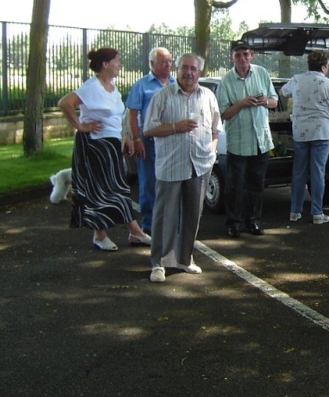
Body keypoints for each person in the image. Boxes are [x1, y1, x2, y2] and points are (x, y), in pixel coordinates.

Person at [57, 47, 151, 251]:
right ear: (105, 64)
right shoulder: (92, 87)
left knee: (113, 188)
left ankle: (122, 233)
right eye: (117, 60)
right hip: (94, 144)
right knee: (105, 189)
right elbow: (65, 103)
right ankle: (116, 233)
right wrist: (81, 126)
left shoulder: (112, 86)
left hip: (111, 143)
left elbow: (117, 116)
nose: (120, 64)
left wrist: (124, 136)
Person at [143, 54, 220, 283]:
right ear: (177, 70)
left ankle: (185, 259)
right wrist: (176, 127)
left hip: (200, 164)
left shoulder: (207, 96)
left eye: (193, 68)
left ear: (200, 72)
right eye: (184, 68)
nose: (189, 72)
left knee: (192, 215)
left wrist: (213, 151)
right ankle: (159, 262)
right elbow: (148, 129)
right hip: (171, 165)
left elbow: (216, 129)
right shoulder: (163, 96)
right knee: (164, 216)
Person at [216, 40, 278, 238]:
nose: (242, 58)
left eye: (245, 54)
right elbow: (223, 113)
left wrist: (264, 102)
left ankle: (254, 220)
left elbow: (274, 100)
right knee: (235, 185)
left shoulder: (261, 73)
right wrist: (242, 103)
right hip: (238, 142)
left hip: (260, 141)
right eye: (237, 55)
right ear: (231, 57)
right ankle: (233, 222)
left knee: (256, 184)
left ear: (251, 55)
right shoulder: (226, 81)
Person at [280, 49, 329, 225]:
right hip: (321, 131)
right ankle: (317, 212)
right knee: (318, 172)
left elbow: (282, 93)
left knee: (299, 171)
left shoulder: (297, 79)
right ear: (324, 66)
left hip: (300, 130)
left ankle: (295, 211)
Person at [125, 47, 174, 235]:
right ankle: (149, 226)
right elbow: (132, 114)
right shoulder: (141, 85)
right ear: (152, 64)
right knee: (149, 184)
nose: (168, 65)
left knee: (170, 184)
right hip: (149, 141)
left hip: (171, 141)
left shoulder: (174, 83)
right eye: (164, 62)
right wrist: (137, 139)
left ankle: (169, 223)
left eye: (170, 61)